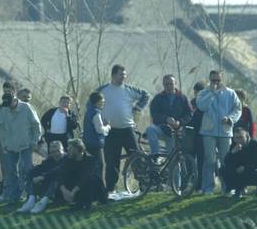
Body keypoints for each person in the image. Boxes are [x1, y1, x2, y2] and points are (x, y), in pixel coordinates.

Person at [96, 64, 150, 194]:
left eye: (124, 75)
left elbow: (146, 95)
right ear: (113, 75)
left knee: (136, 157)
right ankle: (110, 189)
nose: (123, 78)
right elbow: (91, 103)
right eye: (121, 75)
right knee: (111, 161)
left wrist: (138, 108)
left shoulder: (128, 90)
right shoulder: (103, 90)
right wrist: (98, 117)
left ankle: (144, 184)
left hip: (127, 129)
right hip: (110, 131)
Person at [195, 69, 242, 194]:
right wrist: (211, 93)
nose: (215, 83)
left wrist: (230, 119)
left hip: (225, 131)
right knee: (209, 160)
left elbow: (238, 109)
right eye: (213, 80)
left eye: (218, 80)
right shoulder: (203, 93)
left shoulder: (231, 93)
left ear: (222, 79)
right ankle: (208, 188)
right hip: (208, 132)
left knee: (226, 160)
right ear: (209, 80)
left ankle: (227, 187)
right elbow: (201, 107)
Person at [0, 88, 42, 205]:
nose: (8, 107)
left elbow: (36, 125)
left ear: (14, 100)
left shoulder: (26, 108)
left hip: (26, 144)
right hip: (10, 146)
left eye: (9, 104)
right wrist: (4, 143)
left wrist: (35, 141)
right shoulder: (4, 109)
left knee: (27, 170)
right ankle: (14, 197)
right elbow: (0, 127)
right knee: (11, 171)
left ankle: (31, 195)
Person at [46, 138, 106, 211]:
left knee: (91, 180)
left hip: (89, 188)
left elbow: (86, 177)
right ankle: (68, 201)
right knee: (62, 181)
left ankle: (85, 203)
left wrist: (73, 192)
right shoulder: (69, 160)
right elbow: (61, 174)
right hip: (74, 189)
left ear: (78, 149)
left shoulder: (90, 160)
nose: (68, 150)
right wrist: (64, 191)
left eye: (71, 148)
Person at [147, 75, 191, 155]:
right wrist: (166, 119)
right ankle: (155, 155)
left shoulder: (182, 98)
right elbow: (154, 114)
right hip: (162, 128)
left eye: (171, 83)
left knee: (172, 158)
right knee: (150, 129)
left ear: (175, 83)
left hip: (176, 131)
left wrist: (179, 122)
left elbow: (188, 114)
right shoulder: (158, 98)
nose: (169, 86)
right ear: (163, 85)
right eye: (166, 84)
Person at [18, 140, 67, 213]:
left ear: (62, 150)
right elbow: (39, 168)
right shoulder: (50, 159)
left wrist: (43, 177)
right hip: (48, 185)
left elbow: (58, 170)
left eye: (57, 151)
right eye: (53, 152)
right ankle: (31, 201)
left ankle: (43, 203)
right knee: (32, 177)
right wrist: (32, 176)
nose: (55, 154)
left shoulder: (67, 158)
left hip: (63, 188)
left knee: (56, 179)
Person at [220, 127, 257, 198]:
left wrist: (245, 168)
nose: (239, 140)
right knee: (223, 169)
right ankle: (235, 189)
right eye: (236, 138)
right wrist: (232, 152)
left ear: (246, 135)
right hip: (239, 171)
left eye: (241, 137)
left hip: (252, 170)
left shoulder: (255, 145)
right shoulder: (234, 145)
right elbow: (226, 162)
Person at [81, 90, 109, 166]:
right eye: (102, 101)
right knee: (100, 166)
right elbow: (99, 130)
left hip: (88, 142)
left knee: (89, 165)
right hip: (95, 144)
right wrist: (107, 127)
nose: (103, 103)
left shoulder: (89, 111)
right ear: (98, 101)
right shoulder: (96, 113)